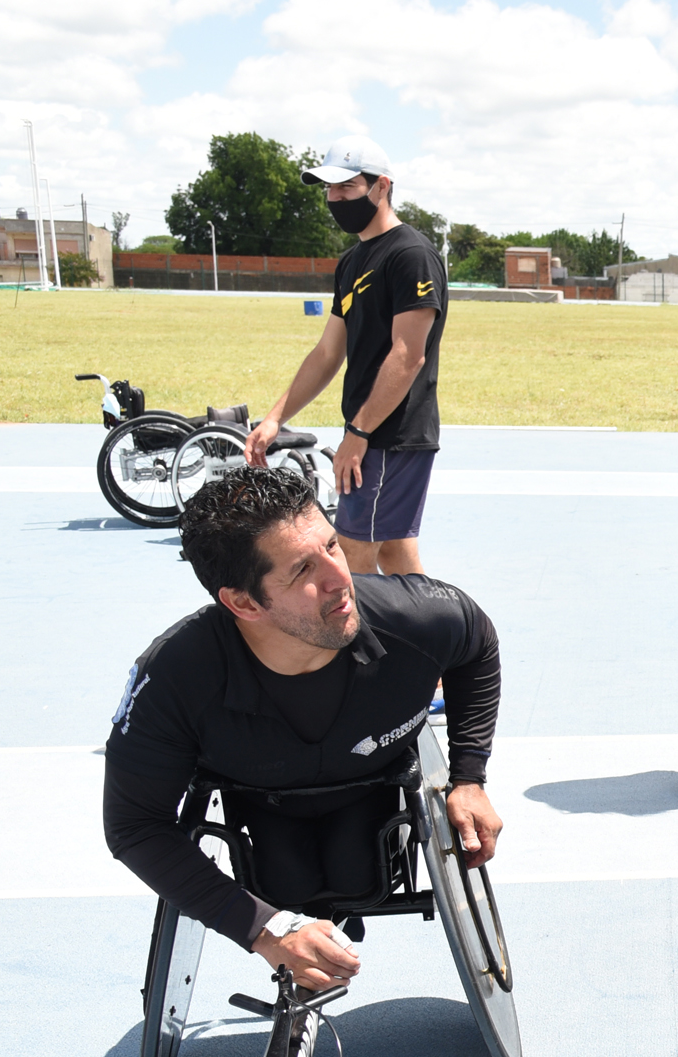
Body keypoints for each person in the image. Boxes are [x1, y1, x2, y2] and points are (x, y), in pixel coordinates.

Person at [104, 467, 504, 993]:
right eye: (302, 570)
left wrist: (469, 776)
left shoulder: (417, 615)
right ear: (243, 602)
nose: (341, 578)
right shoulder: (174, 680)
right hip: (260, 806)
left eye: (333, 546)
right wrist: (266, 930)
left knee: (355, 871)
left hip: (375, 789)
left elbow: (476, 646)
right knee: (285, 878)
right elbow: (135, 826)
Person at [247, 135, 448, 577]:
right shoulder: (352, 261)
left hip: (389, 435)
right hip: (370, 432)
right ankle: (428, 640)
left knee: (353, 557)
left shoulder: (410, 254)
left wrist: (358, 432)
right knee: (395, 553)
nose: (335, 198)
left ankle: (364, 647)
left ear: (382, 187)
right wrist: (275, 417)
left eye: (347, 187)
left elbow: (408, 354)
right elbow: (327, 352)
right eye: (329, 189)